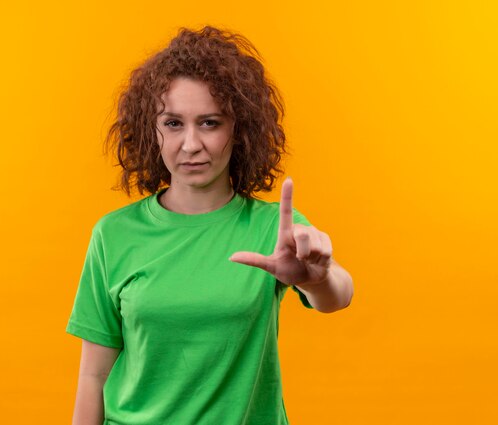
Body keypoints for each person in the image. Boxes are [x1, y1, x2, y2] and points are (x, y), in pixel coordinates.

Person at [66, 25, 354, 425]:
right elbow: (93, 374)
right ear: (153, 130)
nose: (190, 144)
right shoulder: (113, 235)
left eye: (209, 123)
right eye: (172, 123)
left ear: (240, 130)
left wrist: (315, 277)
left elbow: (339, 296)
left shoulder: (276, 229)